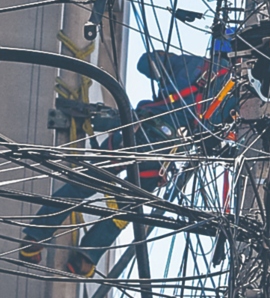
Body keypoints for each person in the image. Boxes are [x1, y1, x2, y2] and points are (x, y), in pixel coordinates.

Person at [19, 49, 235, 274]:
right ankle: (85, 258)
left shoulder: (195, 63)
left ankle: (35, 237)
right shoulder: (235, 96)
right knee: (124, 209)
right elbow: (213, 140)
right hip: (161, 157)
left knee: (83, 184)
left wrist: (165, 61)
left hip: (135, 131)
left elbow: (145, 63)